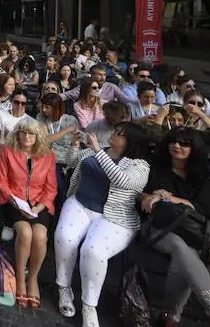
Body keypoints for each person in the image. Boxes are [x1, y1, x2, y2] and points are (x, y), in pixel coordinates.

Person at [140, 127, 210, 326]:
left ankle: (171, 316)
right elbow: (138, 193)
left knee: (184, 253)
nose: (177, 146)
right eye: (174, 141)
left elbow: (205, 209)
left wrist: (172, 199)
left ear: (194, 148)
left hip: (190, 230)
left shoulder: (200, 174)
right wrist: (150, 197)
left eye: (185, 143)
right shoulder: (155, 165)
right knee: (179, 246)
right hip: (157, 226)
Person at [54, 122, 150, 327]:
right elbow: (70, 162)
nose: (113, 135)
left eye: (119, 134)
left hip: (115, 216)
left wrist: (98, 151)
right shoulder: (96, 151)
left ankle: (89, 305)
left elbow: (121, 179)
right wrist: (75, 145)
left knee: (93, 251)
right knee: (65, 238)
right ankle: (64, 287)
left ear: (131, 142)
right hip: (81, 202)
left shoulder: (139, 166)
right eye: (115, 131)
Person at [0, 120, 57, 307]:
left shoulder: (48, 156)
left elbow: (51, 188)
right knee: (25, 232)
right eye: (23, 133)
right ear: (17, 134)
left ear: (38, 136)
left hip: (38, 203)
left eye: (31, 134)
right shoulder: (8, 151)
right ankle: (21, 279)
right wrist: (14, 201)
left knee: (40, 235)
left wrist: (39, 207)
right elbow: (1, 181)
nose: (27, 137)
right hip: (13, 201)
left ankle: (33, 278)